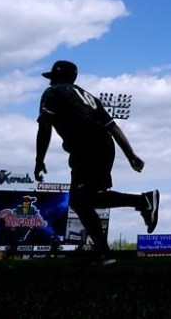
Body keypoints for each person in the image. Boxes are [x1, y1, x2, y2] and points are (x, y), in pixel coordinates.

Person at [34, 60, 160, 265]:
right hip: (103, 145)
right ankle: (141, 203)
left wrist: (39, 160)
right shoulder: (88, 96)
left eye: (53, 78)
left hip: (86, 146)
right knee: (87, 200)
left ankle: (104, 251)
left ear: (59, 78)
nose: (50, 83)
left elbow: (45, 127)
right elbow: (113, 127)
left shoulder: (53, 93)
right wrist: (131, 155)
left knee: (80, 201)